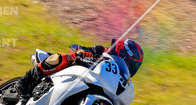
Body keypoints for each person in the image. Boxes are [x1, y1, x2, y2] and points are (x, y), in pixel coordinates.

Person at [15, 38, 143, 99]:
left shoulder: (116, 76)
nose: (130, 67)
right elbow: (74, 46)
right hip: (72, 71)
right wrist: (81, 51)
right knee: (64, 58)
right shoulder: (100, 50)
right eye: (130, 63)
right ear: (122, 53)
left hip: (89, 84)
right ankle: (25, 81)